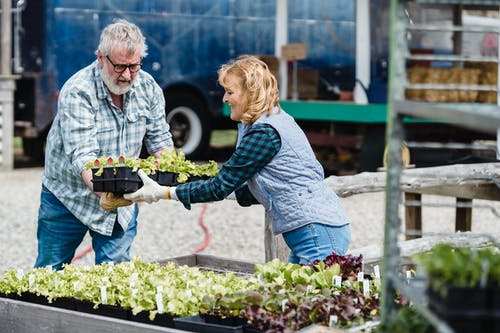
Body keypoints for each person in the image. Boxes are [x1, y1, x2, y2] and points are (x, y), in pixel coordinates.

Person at [120, 55, 350, 265]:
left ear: (250, 94)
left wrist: (163, 192)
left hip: (317, 233)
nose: (224, 98)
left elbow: (221, 186)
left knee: (312, 303)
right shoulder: (267, 122)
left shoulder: (265, 133)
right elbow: (248, 188)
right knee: (296, 301)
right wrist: (182, 183)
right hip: (314, 231)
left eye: (230, 92)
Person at [35, 19, 173, 270]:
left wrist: (163, 181)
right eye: (120, 66)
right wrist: (110, 193)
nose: (128, 75)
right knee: (49, 273)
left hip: (121, 201)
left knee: (115, 276)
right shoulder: (78, 90)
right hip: (68, 197)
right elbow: (84, 157)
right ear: (101, 58)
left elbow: (160, 140)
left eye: (134, 66)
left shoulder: (149, 87)